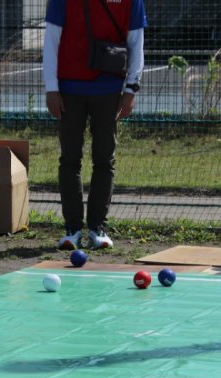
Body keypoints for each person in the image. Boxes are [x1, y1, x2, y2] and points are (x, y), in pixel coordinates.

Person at [43, 0, 147, 251]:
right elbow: (51, 41)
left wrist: (131, 89)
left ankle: (98, 228)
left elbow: (136, 42)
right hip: (68, 88)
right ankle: (72, 230)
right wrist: (51, 88)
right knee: (69, 159)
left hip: (109, 89)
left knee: (104, 158)